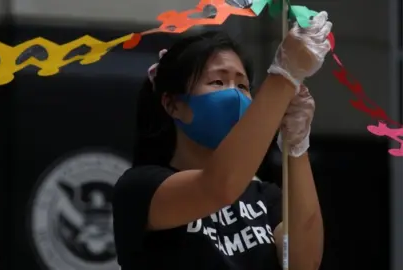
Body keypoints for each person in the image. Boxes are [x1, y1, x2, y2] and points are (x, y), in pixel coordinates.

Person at [112, 11, 332, 270]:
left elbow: (303, 262)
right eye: (217, 81)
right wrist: (285, 76)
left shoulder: (265, 196)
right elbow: (218, 186)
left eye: (242, 86)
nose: (235, 96)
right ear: (172, 104)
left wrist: (297, 145)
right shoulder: (140, 188)